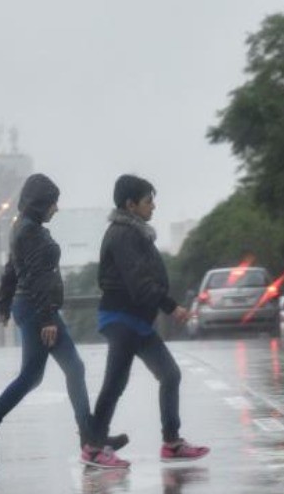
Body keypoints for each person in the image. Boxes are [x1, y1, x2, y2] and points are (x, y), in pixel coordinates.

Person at [0, 173, 127, 467]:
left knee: (42, 375)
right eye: (53, 203)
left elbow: (13, 269)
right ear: (39, 203)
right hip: (38, 310)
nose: (56, 209)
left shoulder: (22, 227)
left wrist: (2, 303)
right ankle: (89, 438)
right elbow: (35, 277)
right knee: (61, 370)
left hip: (31, 307)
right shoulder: (29, 231)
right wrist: (48, 318)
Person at [88, 174, 211, 467]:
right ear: (130, 205)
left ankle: (172, 443)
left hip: (137, 321)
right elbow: (139, 282)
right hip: (122, 319)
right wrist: (172, 307)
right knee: (114, 384)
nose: (153, 206)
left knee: (169, 375)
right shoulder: (123, 235)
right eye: (148, 201)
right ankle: (93, 447)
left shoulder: (136, 232)